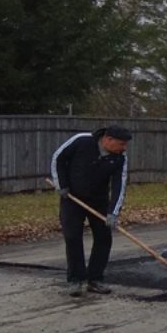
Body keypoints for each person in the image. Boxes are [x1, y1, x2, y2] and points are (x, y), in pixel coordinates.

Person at [51, 125, 132, 296]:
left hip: (98, 200)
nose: (124, 148)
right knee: (73, 237)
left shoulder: (120, 158)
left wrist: (113, 212)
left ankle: (95, 279)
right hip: (71, 198)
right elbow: (58, 158)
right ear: (108, 140)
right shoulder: (82, 141)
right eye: (121, 144)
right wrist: (61, 185)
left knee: (103, 238)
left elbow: (119, 185)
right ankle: (76, 280)